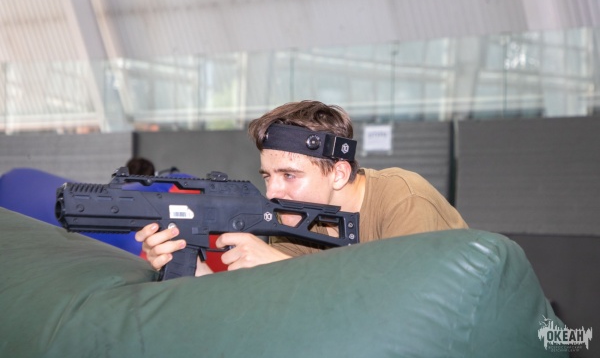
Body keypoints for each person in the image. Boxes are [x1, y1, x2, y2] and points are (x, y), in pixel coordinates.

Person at [135, 100, 468, 275]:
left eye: (289, 175)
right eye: (268, 176)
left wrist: (279, 267)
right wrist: (195, 270)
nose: (272, 192)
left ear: (338, 173)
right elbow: (281, 307)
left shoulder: (403, 199)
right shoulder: (295, 223)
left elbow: (412, 304)